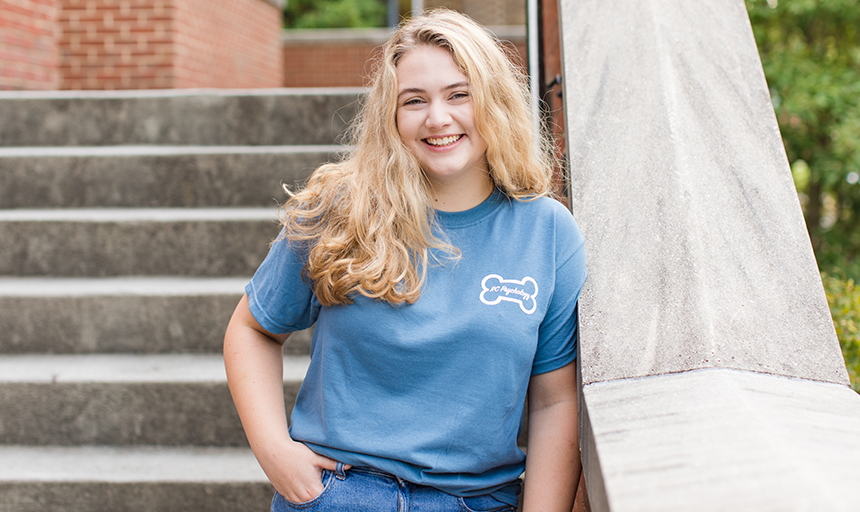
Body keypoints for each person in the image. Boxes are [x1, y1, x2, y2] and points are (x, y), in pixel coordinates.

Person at [223, 8, 587, 512]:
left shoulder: (547, 232)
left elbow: (555, 400)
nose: (438, 118)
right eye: (414, 101)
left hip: (474, 501)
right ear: (391, 117)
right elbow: (253, 329)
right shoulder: (342, 208)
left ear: (495, 100)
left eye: (459, 94)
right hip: (340, 493)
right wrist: (274, 451)